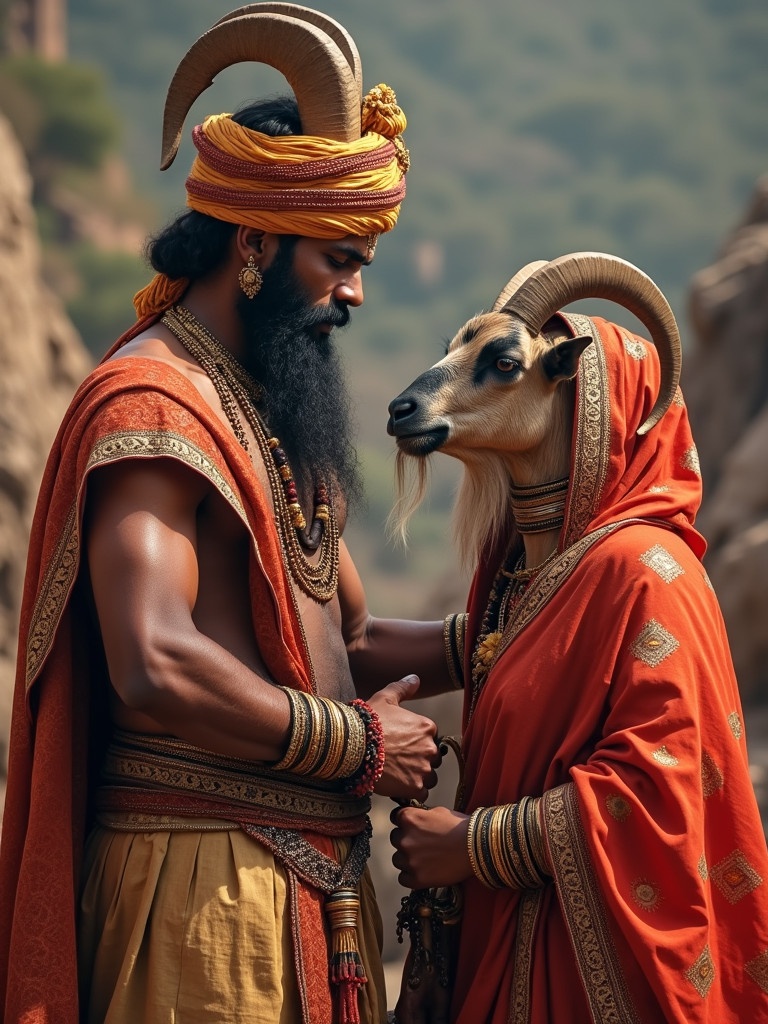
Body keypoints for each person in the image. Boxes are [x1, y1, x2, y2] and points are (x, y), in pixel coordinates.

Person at [0, 7, 458, 1023]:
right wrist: (358, 748)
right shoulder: (156, 404)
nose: (354, 292)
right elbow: (154, 658)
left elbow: (345, 643)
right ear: (252, 242)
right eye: (337, 260)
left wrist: (502, 636)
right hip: (197, 900)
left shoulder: (268, 411)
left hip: (305, 896)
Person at [388, 253, 768, 1022]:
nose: (426, 393)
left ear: (568, 381)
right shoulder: (527, 583)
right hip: (516, 945)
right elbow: (420, 645)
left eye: (496, 367)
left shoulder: (645, 573)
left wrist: (473, 847)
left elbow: (655, 788)